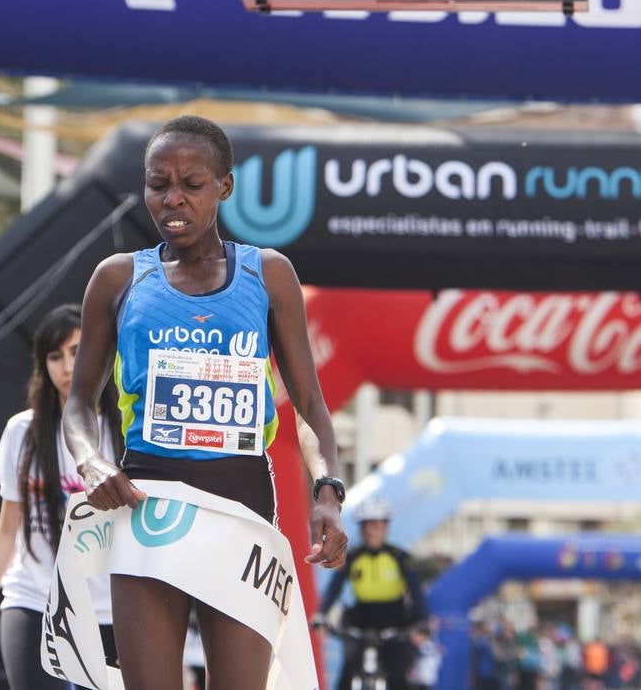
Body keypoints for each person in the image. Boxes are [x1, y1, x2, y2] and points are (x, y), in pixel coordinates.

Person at [62, 115, 348, 690]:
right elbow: (78, 406)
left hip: (240, 505)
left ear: (224, 187)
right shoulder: (118, 279)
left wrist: (327, 490)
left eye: (192, 184)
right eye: (157, 183)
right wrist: (92, 461)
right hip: (149, 504)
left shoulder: (269, 274)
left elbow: (311, 406)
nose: (172, 199)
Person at [0, 304, 120, 688]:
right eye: (55, 356)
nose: (67, 366)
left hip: (110, 609)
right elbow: (7, 532)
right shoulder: (22, 432)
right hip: (35, 599)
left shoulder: (123, 432)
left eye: (77, 351)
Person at [317, 498, 429, 690]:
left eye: (377, 525)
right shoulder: (351, 557)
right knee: (346, 677)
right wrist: (321, 614)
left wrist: (422, 624)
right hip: (361, 623)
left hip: (395, 623)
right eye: (367, 526)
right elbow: (334, 588)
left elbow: (416, 593)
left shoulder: (399, 557)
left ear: (385, 527)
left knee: (398, 679)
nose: (372, 531)